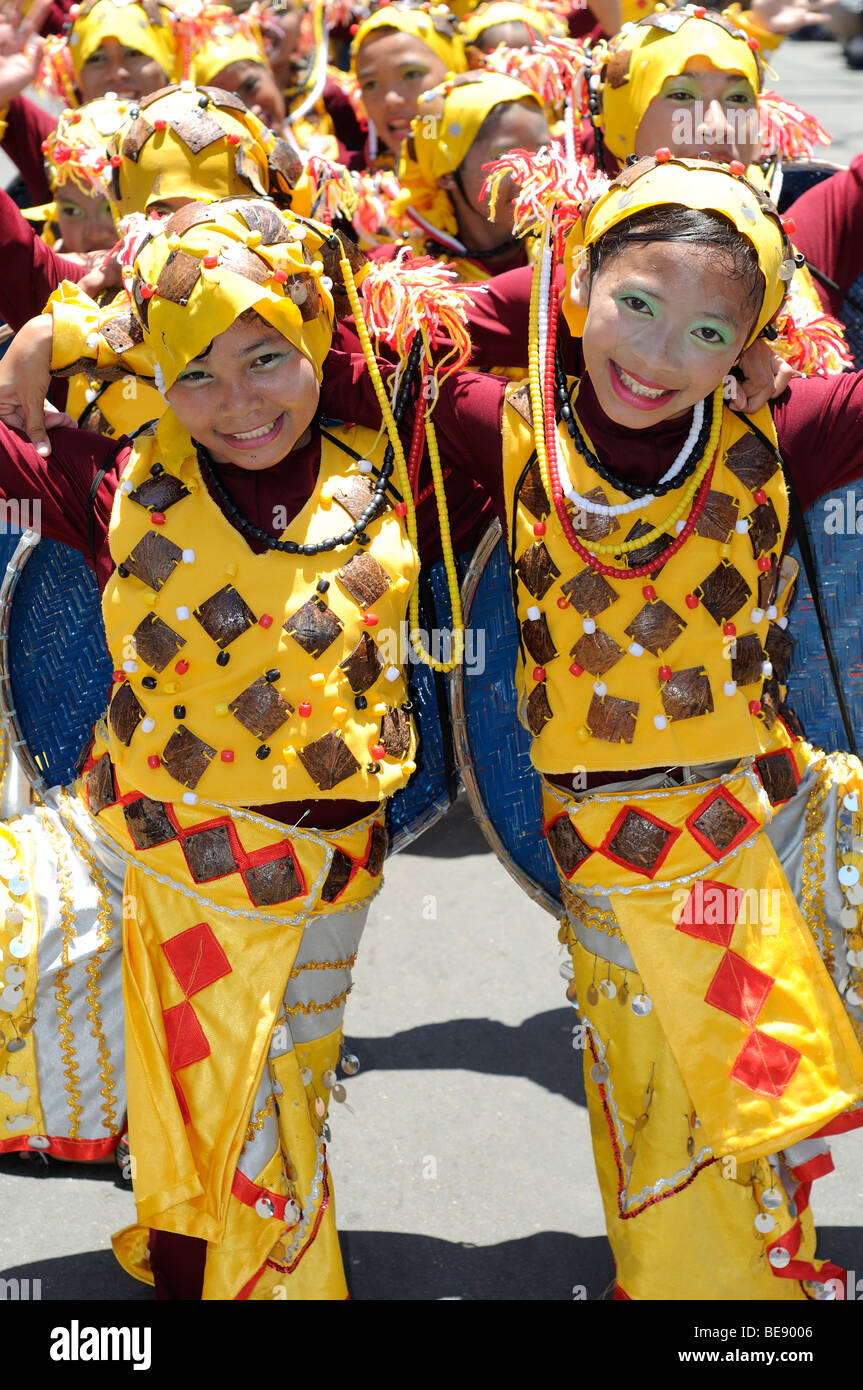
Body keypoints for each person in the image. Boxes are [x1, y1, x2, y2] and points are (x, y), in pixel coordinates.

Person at [317, 154, 863, 1298]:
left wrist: (772, 325)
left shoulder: (785, 430)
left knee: (735, 1086)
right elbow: (328, 353)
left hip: (725, 837)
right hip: (597, 850)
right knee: (640, 1076)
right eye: (634, 305)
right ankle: (683, 1289)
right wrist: (542, 269)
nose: (660, 358)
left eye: (709, 334)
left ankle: (750, 1295)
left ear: (751, 346)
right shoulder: (501, 427)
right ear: (575, 294)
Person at [0, 195, 459, 1301]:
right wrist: (50, 333)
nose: (238, 401)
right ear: (149, 373)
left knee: (266, 1096)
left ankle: (220, 1267)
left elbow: (543, 351)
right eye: (192, 372)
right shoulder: (110, 474)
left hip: (327, 867)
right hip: (159, 855)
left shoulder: (404, 449)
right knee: (220, 1098)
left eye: (267, 357)